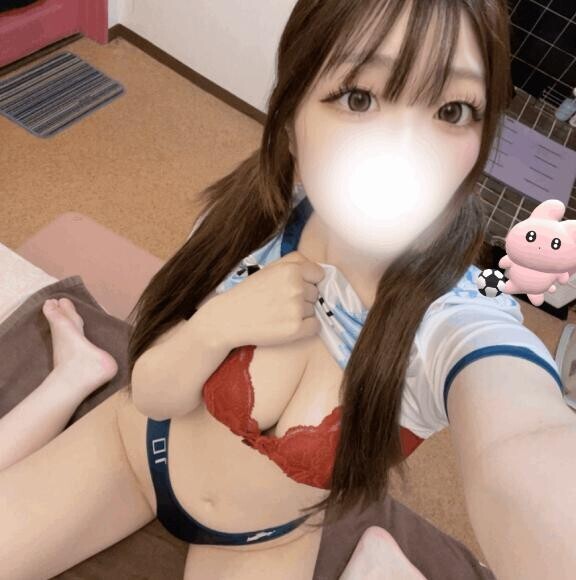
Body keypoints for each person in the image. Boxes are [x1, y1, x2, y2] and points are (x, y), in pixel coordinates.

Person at [1, 0, 572, 578]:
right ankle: (77, 373)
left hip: (260, 541)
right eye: (359, 97)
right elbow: (151, 393)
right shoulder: (250, 222)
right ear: (292, 118)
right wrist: (216, 327)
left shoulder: (459, 322)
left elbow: (525, 442)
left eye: (453, 110)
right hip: (134, 450)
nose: (406, 151)